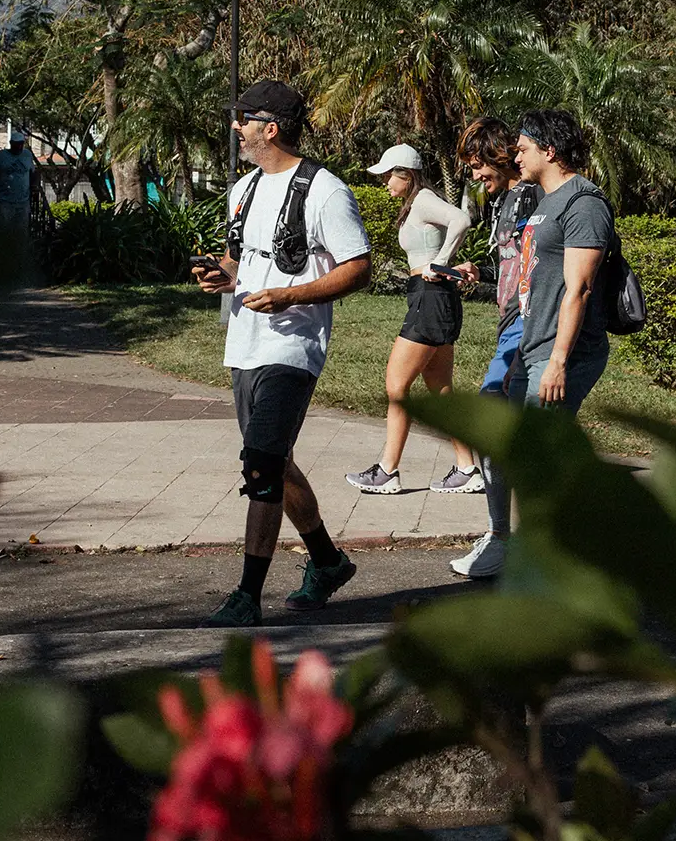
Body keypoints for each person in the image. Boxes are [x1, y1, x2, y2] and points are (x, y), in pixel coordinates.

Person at [191, 80, 373, 627]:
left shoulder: (325, 191)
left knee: (263, 464)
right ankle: (328, 562)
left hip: (293, 346)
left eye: (244, 119)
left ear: (270, 129)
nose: (236, 128)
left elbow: (358, 267)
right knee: (274, 460)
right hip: (245, 344)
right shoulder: (244, 188)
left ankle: (247, 596)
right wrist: (222, 275)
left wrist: (291, 296)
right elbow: (242, 261)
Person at [344, 144, 478, 495]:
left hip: (430, 299)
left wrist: (442, 261)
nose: (385, 183)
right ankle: (467, 469)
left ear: (406, 174)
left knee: (396, 385)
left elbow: (461, 220)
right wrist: (445, 263)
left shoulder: (423, 200)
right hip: (433, 296)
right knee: (441, 391)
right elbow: (431, 249)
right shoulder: (416, 204)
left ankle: (387, 471)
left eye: (389, 176)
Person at [446, 117, 540, 578]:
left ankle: (506, 539)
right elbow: (511, 266)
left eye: (478, 165)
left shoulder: (533, 197)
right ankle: (508, 536)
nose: (475, 175)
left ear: (500, 156)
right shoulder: (505, 200)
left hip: (526, 327)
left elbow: (538, 267)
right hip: (510, 325)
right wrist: (479, 274)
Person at [513, 110, 613, 415]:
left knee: (537, 444)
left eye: (523, 150)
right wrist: (520, 358)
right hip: (533, 350)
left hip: (563, 354)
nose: (517, 158)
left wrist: (557, 362)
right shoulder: (548, 200)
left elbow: (579, 289)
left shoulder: (584, 203)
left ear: (549, 151)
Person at [0, 129, 36, 231]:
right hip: (5, 201)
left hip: (23, 201)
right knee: (4, 229)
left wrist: (34, 188)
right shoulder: (1, 156)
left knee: (22, 230)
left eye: (21, 144)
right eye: (16, 144)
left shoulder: (27, 155)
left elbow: (33, 172)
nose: (19, 147)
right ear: (11, 143)